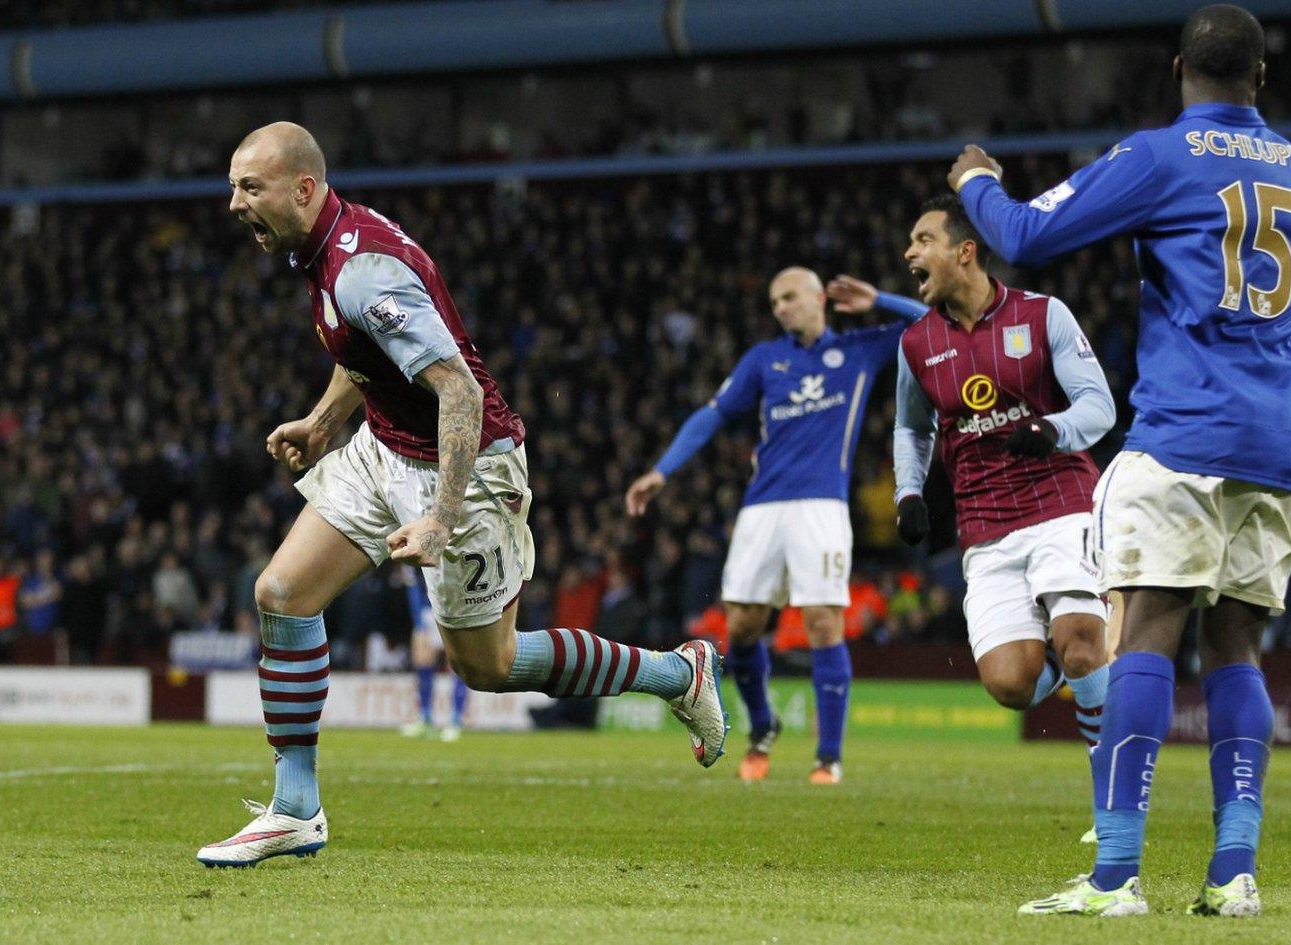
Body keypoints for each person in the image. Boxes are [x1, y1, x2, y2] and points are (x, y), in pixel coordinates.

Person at [199, 122, 728, 867]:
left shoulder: (361, 271)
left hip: (470, 467)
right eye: (233, 186)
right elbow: (371, 353)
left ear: (304, 189)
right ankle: (295, 808)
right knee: (283, 593)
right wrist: (323, 422)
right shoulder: (327, 248)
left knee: (487, 665)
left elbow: (460, 390)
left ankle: (677, 672)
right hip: (386, 447)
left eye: (248, 187)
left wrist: (441, 517)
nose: (233, 203)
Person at [950, 4, 1291, 917]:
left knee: (1145, 634)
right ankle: (1234, 872)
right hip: (1279, 442)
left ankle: (1116, 877)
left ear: (1180, 69)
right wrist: (1267, 370)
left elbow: (1022, 237)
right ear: (1262, 78)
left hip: (1183, 436)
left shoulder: (1163, 155)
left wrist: (976, 181)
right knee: (1240, 646)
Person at [625, 266, 924, 784]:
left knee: (823, 624)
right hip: (762, 507)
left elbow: (928, 322)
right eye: (774, 301)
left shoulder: (860, 349)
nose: (781, 307)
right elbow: (712, 415)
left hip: (822, 507)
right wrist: (661, 470)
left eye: (789, 297)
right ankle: (763, 726)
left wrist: (879, 298)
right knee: (740, 626)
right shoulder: (765, 359)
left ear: (819, 297)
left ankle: (827, 757)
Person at [886, 193, 1115, 822]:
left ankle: (1114, 799)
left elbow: (1100, 405)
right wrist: (909, 492)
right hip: (985, 525)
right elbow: (912, 429)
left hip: (1062, 498)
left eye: (922, 239)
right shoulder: (916, 344)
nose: (910, 253)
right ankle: (1070, 657)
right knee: (1012, 685)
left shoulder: (1044, 316)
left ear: (965, 251)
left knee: (1080, 642)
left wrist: (1052, 430)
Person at [397, 565, 469, 741]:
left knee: (458, 667)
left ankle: (455, 721)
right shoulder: (412, 547)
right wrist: (419, 622)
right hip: (426, 612)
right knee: (423, 664)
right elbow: (412, 585)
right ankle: (425, 717)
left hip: (453, 610)